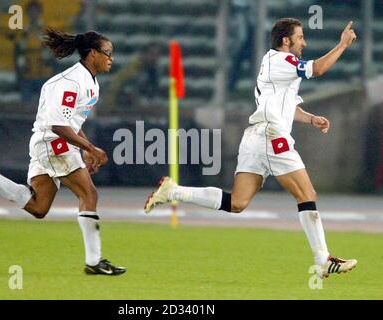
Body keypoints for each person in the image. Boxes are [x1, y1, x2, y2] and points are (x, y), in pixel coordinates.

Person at [144, 18, 358, 279]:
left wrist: (310, 118)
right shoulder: (282, 60)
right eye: (300, 37)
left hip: (257, 138)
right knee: (307, 193)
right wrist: (342, 45)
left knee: (237, 203)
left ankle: (174, 191)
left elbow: (286, 105)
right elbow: (319, 69)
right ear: (285, 40)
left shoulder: (277, 65)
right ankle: (322, 258)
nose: (304, 42)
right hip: (272, 137)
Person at [0, 29, 126, 276]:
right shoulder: (72, 82)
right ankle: (94, 262)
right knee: (89, 194)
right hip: (53, 142)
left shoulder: (90, 82)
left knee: (39, 208)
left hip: (50, 142)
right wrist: (89, 148)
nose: (111, 58)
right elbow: (58, 125)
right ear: (92, 54)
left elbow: (72, 123)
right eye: (108, 53)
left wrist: (86, 148)